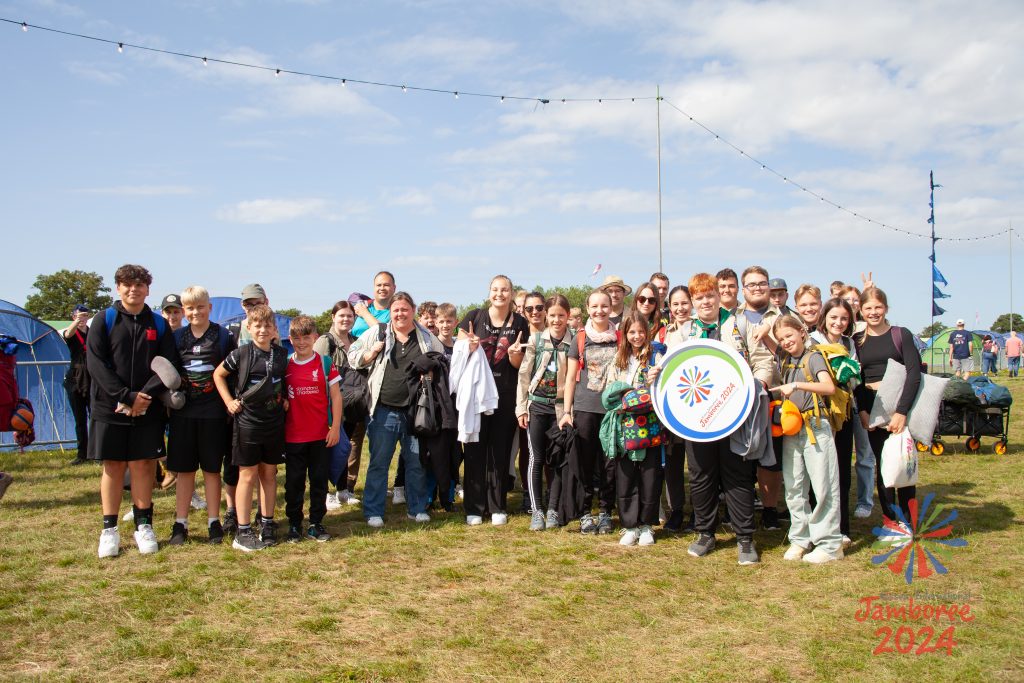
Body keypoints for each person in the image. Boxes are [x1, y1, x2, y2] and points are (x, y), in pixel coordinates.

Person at [88, 264, 179, 559]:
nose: (133, 289)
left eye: (139, 285)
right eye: (127, 284)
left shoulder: (158, 323)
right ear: (117, 287)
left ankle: (143, 525)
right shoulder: (104, 320)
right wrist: (125, 396)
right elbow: (96, 365)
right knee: (113, 467)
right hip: (110, 407)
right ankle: (109, 530)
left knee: (142, 466)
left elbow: (168, 363)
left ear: (147, 289)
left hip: (147, 407)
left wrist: (144, 396)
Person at [682, 273, 771, 566]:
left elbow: (763, 361)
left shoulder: (741, 323)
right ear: (693, 302)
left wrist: (757, 387)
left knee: (738, 474)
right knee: (702, 475)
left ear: (720, 297)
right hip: (697, 418)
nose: (705, 301)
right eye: (699, 297)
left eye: (710, 295)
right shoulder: (684, 331)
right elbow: (670, 368)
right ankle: (705, 533)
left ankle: (745, 538)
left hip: (735, 414)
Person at [349, 292, 442, 527]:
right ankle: (373, 512)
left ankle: (417, 508)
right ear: (390, 312)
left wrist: (432, 371)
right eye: (396, 310)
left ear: (413, 310)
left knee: (415, 462)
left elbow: (441, 359)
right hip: (383, 410)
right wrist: (369, 355)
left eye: (404, 309)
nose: (400, 313)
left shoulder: (426, 336)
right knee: (379, 462)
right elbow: (352, 355)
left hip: (414, 411)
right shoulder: (378, 332)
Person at [166, 286, 238, 545]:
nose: (195, 312)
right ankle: (180, 523)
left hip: (214, 414)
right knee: (185, 471)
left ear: (209, 307)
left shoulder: (222, 336)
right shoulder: (176, 337)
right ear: (184, 311)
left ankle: (213, 522)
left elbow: (233, 374)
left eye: (199, 306)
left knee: (211, 470)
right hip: (184, 414)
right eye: (189, 308)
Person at [213, 304, 288, 552]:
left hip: (274, 424)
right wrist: (228, 402)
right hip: (247, 424)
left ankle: (266, 523)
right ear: (249, 327)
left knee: (269, 473)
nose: (263, 330)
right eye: (258, 325)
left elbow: (281, 381)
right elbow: (218, 375)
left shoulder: (280, 354)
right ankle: (243, 531)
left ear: (275, 329)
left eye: (268, 325)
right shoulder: (241, 353)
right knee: (247, 475)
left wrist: (284, 398)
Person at [457, 276, 530, 526]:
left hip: (505, 394)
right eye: (495, 289)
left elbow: (520, 365)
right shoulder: (473, 317)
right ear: (489, 292)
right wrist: (469, 347)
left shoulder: (520, 322)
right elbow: (457, 356)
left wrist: (513, 355)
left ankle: (497, 505)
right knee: (475, 450)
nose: (500, 294)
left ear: (511, 294)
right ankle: (474, 507)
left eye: (505, 290)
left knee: (499, 451)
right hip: (476, 395)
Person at [773, 315, 844, 564]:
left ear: (802, 332)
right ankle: (800, 539)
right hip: (792, 429)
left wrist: (799, 386)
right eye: (781, 339)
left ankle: (830, 543)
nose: (786, 342)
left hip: (816, 426)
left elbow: (829, 388)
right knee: (794, 487)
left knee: (823, 485)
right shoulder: (785, 359)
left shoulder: (813, 357)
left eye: (789, 336)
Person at [854, 287, 921, 528]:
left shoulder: (900, 334)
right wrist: (862, 411)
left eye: (878, 307)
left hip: (901, 406)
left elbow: (914, 374)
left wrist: (902, 412)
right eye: (868, 308)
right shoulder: (857, 341)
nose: (873, 312)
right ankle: (890, 521)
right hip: (873, 409)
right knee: (883, 466)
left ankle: (907, 523)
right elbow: (857, 379)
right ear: (860, 311)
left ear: (886, 309)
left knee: (903, 464)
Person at [559, 289, 619, 535]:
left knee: (609, 463)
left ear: (611, 307)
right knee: (584, 463)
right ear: (587, 309)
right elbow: (571, 377)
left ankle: (605, 511)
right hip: (584, 409)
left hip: (612, 411)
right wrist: (566, 411)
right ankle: (585, 513)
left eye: (604, 306)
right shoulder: (580, 338)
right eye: (594, 306)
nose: (599, 311)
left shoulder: (620, 337)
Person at [607, 311, 664, 547]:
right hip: (625, 426)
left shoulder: (658, 355)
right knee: (626, 475)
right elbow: (610, 389)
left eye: (641, 331)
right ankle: (629, 525)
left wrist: (656, 378)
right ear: (625, 334)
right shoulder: (618, 358)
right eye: (632, 332)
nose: (637, 336)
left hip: (650, 425)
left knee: (650, 476)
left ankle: (646, 525)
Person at [283, 316, 342, 543]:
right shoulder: (285, 363)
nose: (301, 342)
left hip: (320, 435)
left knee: (318, 481)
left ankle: (316, 523)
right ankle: (294, 524)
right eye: (296, 338)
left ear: (315, 338)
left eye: (306, 338)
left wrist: (335, 427)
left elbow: (336, 398)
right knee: (294, 483)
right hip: (294, 436)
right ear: (290, 339)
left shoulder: (325, 363)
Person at [516, 293, 572, 531]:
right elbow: (523, 375)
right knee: (536, 459)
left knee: (557, 460)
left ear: (568, 316)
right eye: (552, 315)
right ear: (546, 317)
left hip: (560, 409)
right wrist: (521, 407)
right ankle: (537, 510)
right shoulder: (537, 340)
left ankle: (553, 508)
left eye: (561, 315)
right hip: (537, 406)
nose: (557, 320)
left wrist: (570, 410)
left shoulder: (574, 343)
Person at [736, 265, 784, 531]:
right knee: (743, 457)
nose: (757, 288)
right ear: (744, 289)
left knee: (771, 460)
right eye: (751, 284)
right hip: (741, 397)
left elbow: (791, 354)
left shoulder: (785, 317)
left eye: (761, 283)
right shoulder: (732, 318)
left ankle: (769, 510)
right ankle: (742, 513)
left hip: (774, 396)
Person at [810, 298, 859, 546]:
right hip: (818, 412)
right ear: (824, 317)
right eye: (834, 317)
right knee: (819, 471)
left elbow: (854, 379)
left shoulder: (850, 343)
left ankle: (841, 528)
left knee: (841, 470)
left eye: (843, 318)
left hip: (844, 412)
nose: (838, 323)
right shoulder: (812, 342)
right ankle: (816, 528)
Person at [313, 300, 364, 508]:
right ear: (333, 317)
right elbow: (317, 371)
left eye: (350, 316)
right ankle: (326, 493)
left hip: (352, 403)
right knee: (328, 448)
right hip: (330, 404)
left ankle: (343, 490)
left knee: (346, 447)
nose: (345, 319)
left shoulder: (356, 340)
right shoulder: (326, 341)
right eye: (341, 315)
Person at [658, 285, 695, 533]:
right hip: (672, 405)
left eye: (684, 303)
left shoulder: (701, 329)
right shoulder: (664, 333)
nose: (680, 308)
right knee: (672, 462)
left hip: (697, 403)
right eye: (675, 304)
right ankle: (676, 510)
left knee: (696, 464)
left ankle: (700, 511)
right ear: (669, 307)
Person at [516, 292, 548, 512]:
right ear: (523, 311)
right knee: (527, 450)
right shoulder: (520, 333)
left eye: (539, 307)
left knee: (550, 450)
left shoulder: (555, 331)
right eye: (530, 309)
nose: (535, 312)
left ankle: (548, 493)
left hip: (552, 400)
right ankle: (529, 493)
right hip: (524, 398)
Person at [62, 304, 92, 465]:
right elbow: (68, 334)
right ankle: (82, 454)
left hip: (91, 379)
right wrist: (76, 322)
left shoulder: (92, 332)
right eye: (79, 316)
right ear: (73, 317)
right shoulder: (72, 332)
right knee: (80, 419)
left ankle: (96, 452)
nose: (82, 319)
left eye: (85, 316)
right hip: (75, 380)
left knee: (95, 417)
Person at [352, 271, 396, 338]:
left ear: (394, 288)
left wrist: (365, 314)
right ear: (374, 287)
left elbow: (385, 334)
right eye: (378, 285)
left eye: (386, 285)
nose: (382, 288)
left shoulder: (397, 312)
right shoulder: (361, 307)